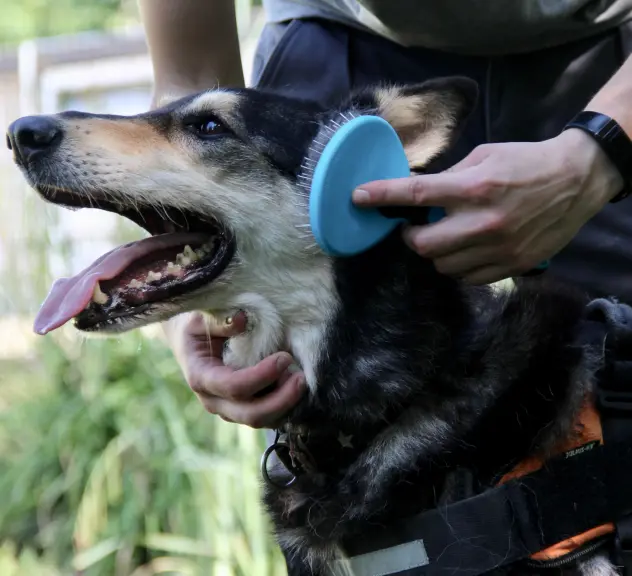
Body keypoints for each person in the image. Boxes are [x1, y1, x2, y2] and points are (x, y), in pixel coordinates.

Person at [136, 0, 632, 441]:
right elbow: (192, 83)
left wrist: (597, 155)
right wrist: (189, 302)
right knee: (332, 460)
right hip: (336, 61)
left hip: (610, 64)